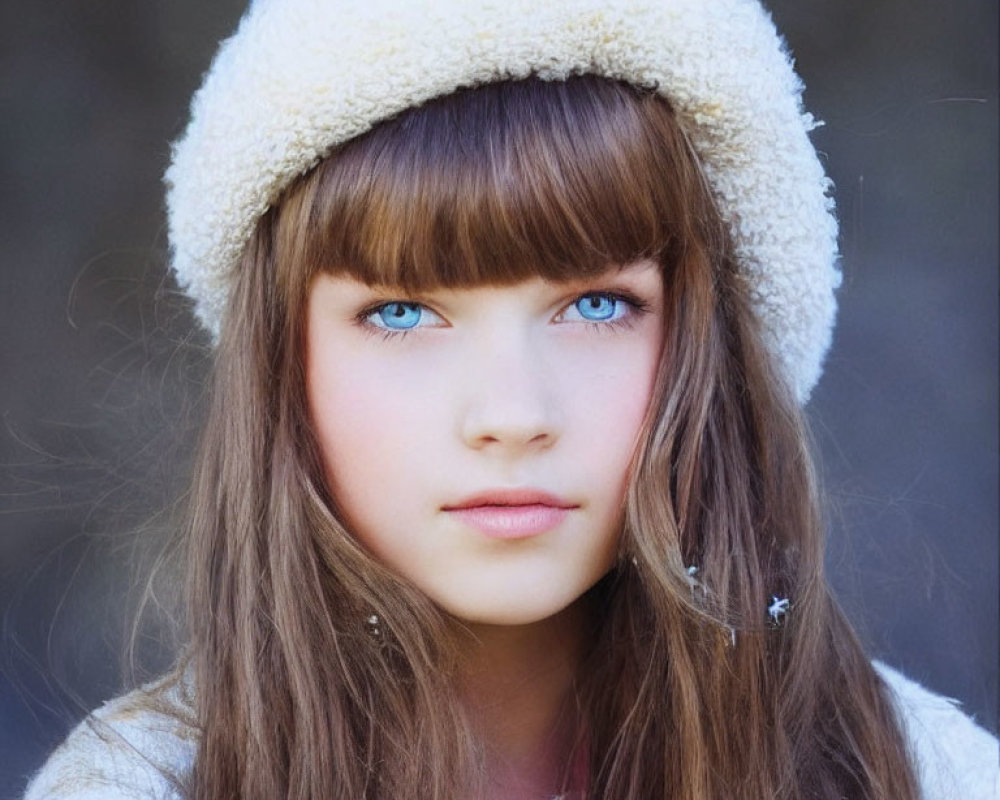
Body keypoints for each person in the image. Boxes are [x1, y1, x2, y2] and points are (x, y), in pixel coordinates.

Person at [22, 1, 998, 798]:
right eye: (402, 312)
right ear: (284, 364)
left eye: (598, 303)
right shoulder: (146, 782)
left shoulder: (909, 771)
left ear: (710, 346)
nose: (511, 412)